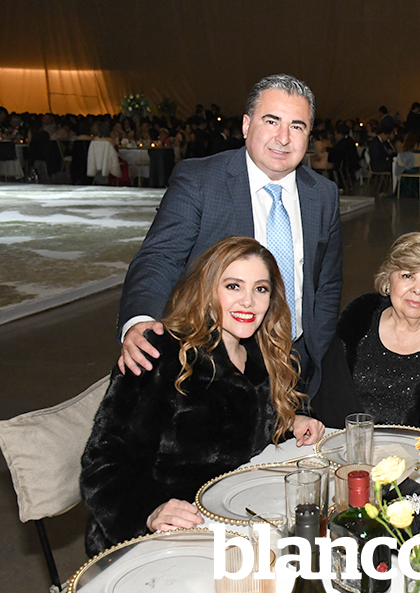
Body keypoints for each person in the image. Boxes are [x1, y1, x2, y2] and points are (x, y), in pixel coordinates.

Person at [81, 237, 325, 556]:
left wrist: (289, 420)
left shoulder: (259, 354)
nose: (248, 302)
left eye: (260, 289)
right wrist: (149, 512)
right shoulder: (161, 354)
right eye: (233, 286)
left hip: (229, 522)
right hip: (157, 538)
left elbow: (239, 431)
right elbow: (103, 463)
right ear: (208, 290)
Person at [116, 74, 343, 399]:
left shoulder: (323, 194)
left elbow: (327, 284)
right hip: (213, 363)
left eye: (297, 126)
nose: (283, 138)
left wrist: (315, 349)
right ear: (247, 125)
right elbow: (160, 257)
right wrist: (140, 320)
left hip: (294, 364)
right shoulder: (200, 180)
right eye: (272, 121)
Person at [314, 233, 420, 427]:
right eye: (408, 276)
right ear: (388, 279)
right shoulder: (356, 322)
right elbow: (327, 401)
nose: (418, 289)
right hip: (352, 443)